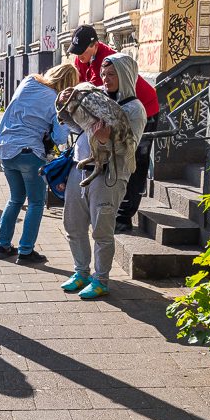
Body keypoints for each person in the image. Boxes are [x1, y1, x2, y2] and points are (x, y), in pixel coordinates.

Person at [57, 53, 147, 299]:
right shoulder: (96, 97)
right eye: (104, 74)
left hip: (110, 175)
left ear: (126, 76)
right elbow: (79, 128)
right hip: (80, 168)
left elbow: (130, 147)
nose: (105, 79)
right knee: (73, 225)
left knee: (101, 230)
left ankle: (101, 279)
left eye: (112, 75)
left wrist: (107, 140)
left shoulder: (134, 109)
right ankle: (81, 272)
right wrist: (67, 107)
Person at [67, 25, 161, 232]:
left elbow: (93, 94)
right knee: (108, 153)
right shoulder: (81, 58)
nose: (78, 56)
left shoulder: (110, 60)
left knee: (133, 159)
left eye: (82, 51)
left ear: (95, 45)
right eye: (76, 51)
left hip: (143, 108)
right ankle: (107, 201)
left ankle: (123, 216)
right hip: (110, 112)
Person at [0, 63, 78, 264]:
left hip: (6, 149)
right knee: (36, 202)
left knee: (15, 199)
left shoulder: (28, 81)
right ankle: (26, 250)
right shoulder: (57, 101)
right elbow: (59, 138)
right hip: (29, 153)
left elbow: (10, 111)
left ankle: (2, 245)